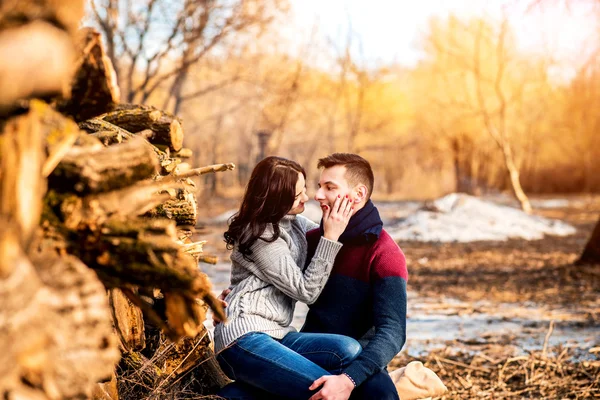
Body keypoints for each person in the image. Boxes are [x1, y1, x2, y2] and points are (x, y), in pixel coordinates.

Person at [216, 153, 408, 400]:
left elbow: (393, 332)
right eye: (317, 187)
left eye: (329, 187)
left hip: (353, 361)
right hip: (270, 340)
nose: (316, 196)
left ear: (358, 194)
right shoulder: (316, 238)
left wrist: (350, 379)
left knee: (367, 376)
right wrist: (225, 300)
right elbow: (261, 269)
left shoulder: (385, 254)